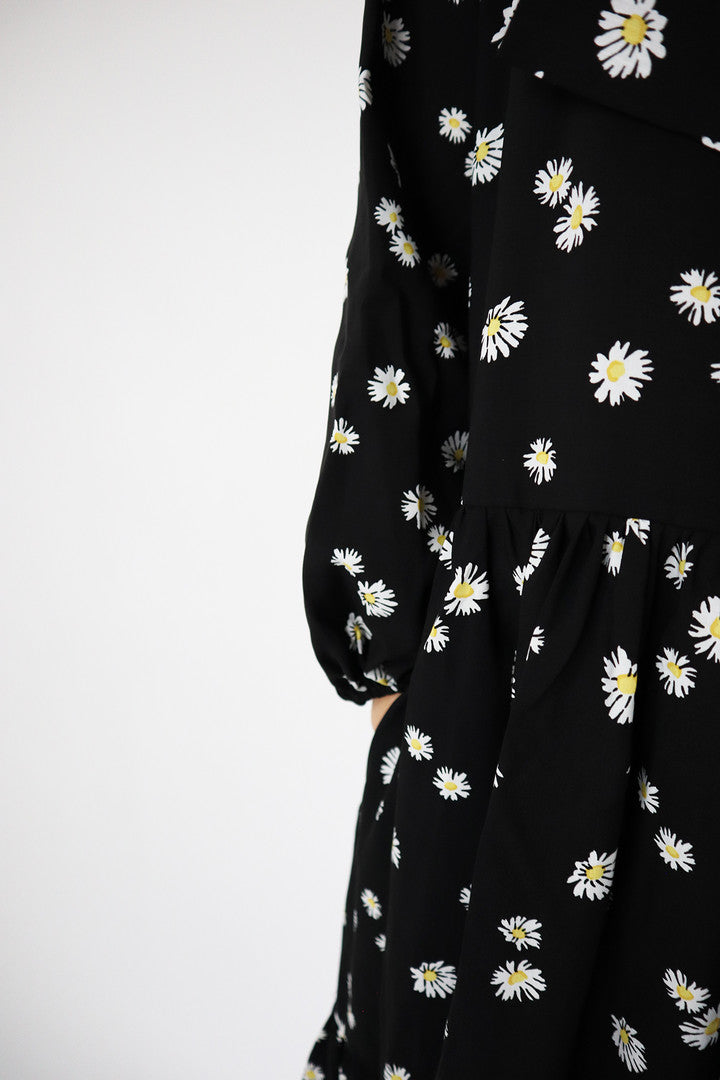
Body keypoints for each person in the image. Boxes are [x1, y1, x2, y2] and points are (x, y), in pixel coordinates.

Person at [300, 0, 720, 1075]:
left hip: (537, 684)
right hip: (534, 686)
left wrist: (391, 628)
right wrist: (406, 659)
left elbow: (405, 281)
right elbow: (410, 260)